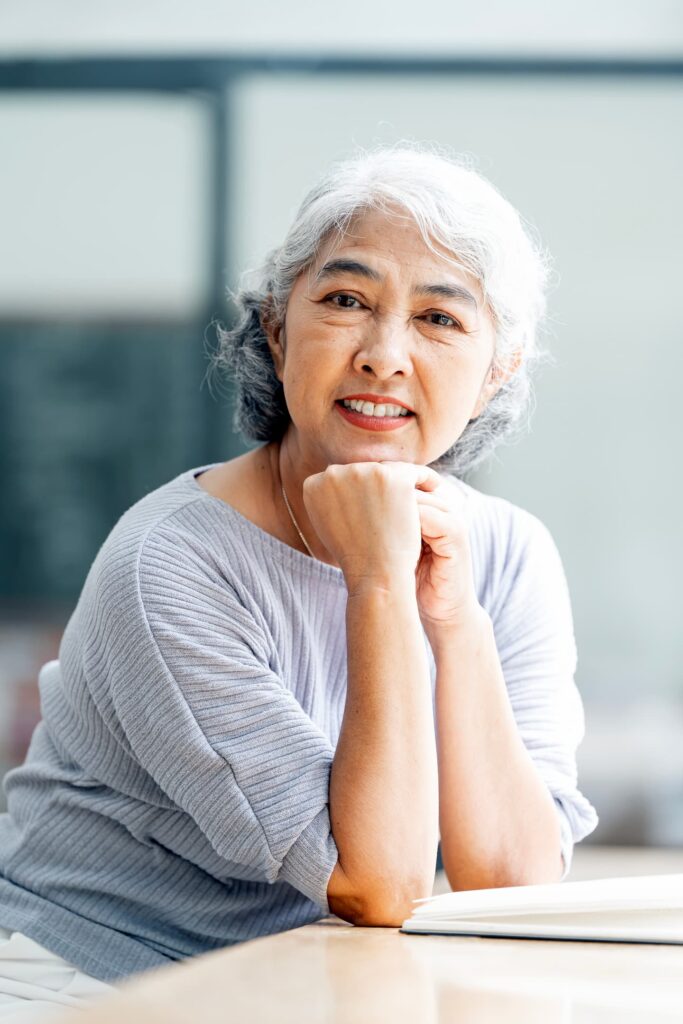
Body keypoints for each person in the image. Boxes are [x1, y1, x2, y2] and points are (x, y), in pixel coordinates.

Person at [0, 144, 598, 1013]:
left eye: (440, 319)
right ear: (277, 330)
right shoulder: (170, 560)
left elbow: (509, 884)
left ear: (496, 370)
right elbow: (378, 884)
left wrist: (455, 619)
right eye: (347, 301)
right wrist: (380, 582)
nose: (384, 355)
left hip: (299, 979)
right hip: (83, 981)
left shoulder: (508, 553)